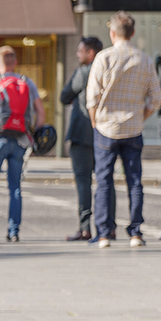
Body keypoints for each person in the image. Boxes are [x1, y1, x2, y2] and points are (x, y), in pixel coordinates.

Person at [86, 11, 161, 249]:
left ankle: (105, 233)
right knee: (135, 181)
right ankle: (135, 232)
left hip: (106, 126)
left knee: (104, 181)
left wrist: (94, 120)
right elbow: (156, 98)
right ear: (133, 33)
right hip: (133, 127)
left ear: (112, 33)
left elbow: (92, 98)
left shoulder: (103, 58)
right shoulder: (144, 59)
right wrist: (141, 115)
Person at [0, 45, 45, 243]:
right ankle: (13, 231)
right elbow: (41, 112)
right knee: (15, 187)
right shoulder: (27, 82)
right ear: (15, 63)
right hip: (21, 140)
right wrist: (35, 135)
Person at [61, 37, 105, 241]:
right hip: (105, 133)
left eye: (80, 51)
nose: (77, 54)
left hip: (82, 134)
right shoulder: (108, 70)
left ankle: (85, 228)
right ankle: (108, 227)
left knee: (83, 182)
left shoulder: (84, 72)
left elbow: (64, 96)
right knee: (105, 182)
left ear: (90, 53)